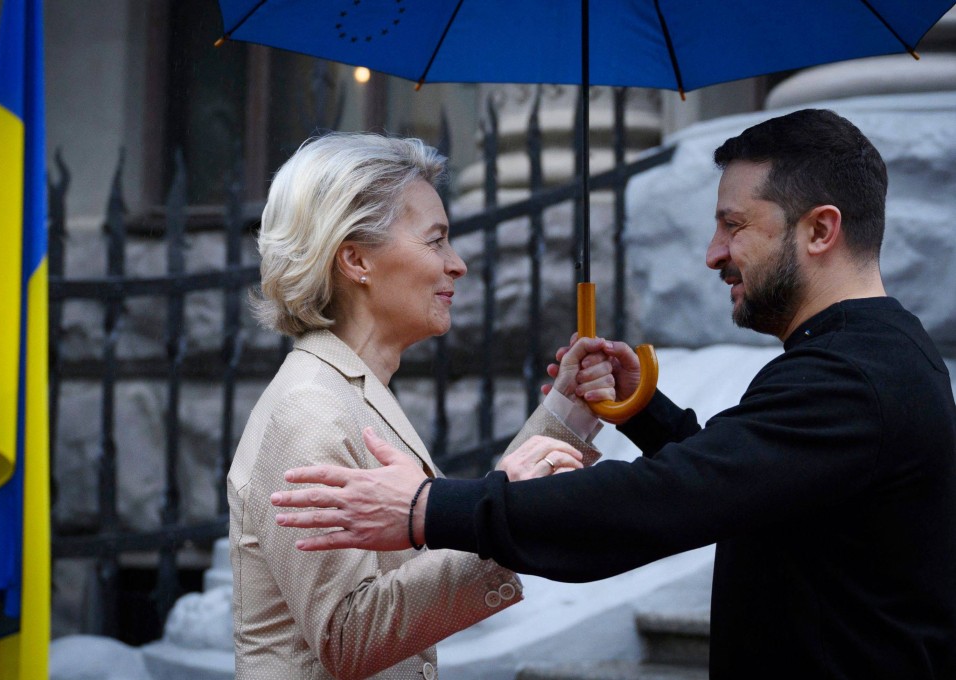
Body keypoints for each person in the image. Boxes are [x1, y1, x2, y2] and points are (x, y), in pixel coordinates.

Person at [269, 110, 956, 679]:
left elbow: (661, 503)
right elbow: (753, 491)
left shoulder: (851, 379)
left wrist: (427, 507)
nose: (714, 253)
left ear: (820, 230)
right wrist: (643, 412)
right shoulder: (867, 361)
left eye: (735, 225)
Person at [228, 131, 617, 680]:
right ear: (355, 259)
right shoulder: (311, 408)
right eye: (435, 241)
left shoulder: (350, 387)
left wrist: (569, 413)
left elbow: (428, 532)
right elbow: (347, 635)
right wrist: (501, 511)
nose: (457, 264)